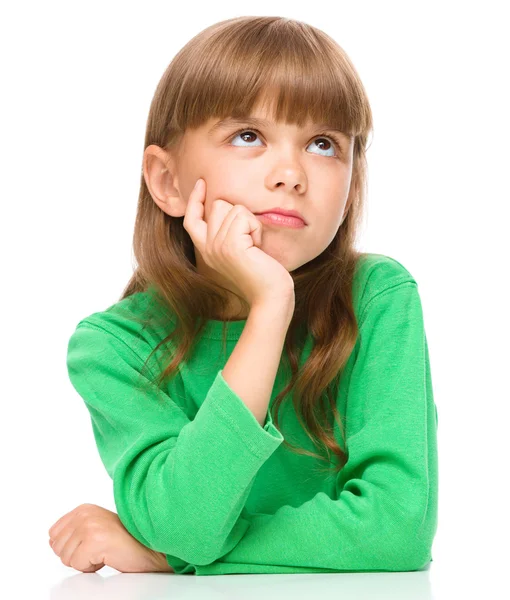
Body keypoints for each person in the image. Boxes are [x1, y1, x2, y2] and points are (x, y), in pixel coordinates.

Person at [52, 16, 439, 576]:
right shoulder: (115, 348)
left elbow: (397, 530)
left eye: (323, 144)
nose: (291, 173)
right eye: (248, 136)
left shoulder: (377, 299)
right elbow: (189, 524)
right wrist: (269, 310)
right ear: (168, 181)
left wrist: (166, 555)